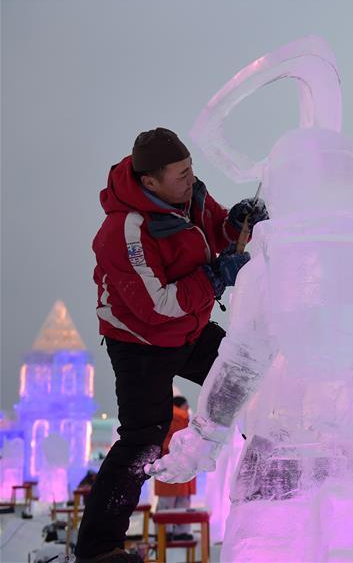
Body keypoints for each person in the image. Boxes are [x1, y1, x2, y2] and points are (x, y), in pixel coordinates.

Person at [75, 127, 268, 563]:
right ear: (150, 181)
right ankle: (98, 550)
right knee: (145, 437)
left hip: (190, 327)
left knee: (250, 373)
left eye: (190, 169)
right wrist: (216, 277)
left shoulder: (188, 194)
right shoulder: (124, 230)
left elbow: (213, 230)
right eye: (180, 173)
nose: (190, 177)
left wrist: (234, 224)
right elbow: (157, 306)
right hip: (141, 341)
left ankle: (276, 479)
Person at [154, 396, 195, 540]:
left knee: (167, 503)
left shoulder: (165, 415)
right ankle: (180, 531)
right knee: (181, 502)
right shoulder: (180, 416)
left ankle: (164, 532)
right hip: (181, 466)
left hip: (169, 466)